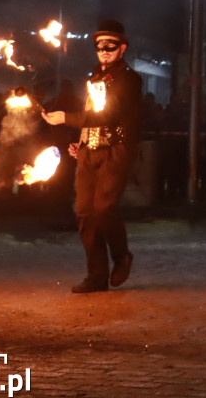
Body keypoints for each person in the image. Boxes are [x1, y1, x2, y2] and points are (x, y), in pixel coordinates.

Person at [43, 20, 142, 294]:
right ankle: (97, 276)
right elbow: (94, 113)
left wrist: (67, 118)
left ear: (122, 48)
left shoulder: (129, 79)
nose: (105, 50)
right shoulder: (95, 79)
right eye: (100, 46)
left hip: (116, 150)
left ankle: (122, 255)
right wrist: (83, 141)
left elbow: (110, 115)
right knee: (85, 212)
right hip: (90, 151)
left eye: (111, 45)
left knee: (104, 208)